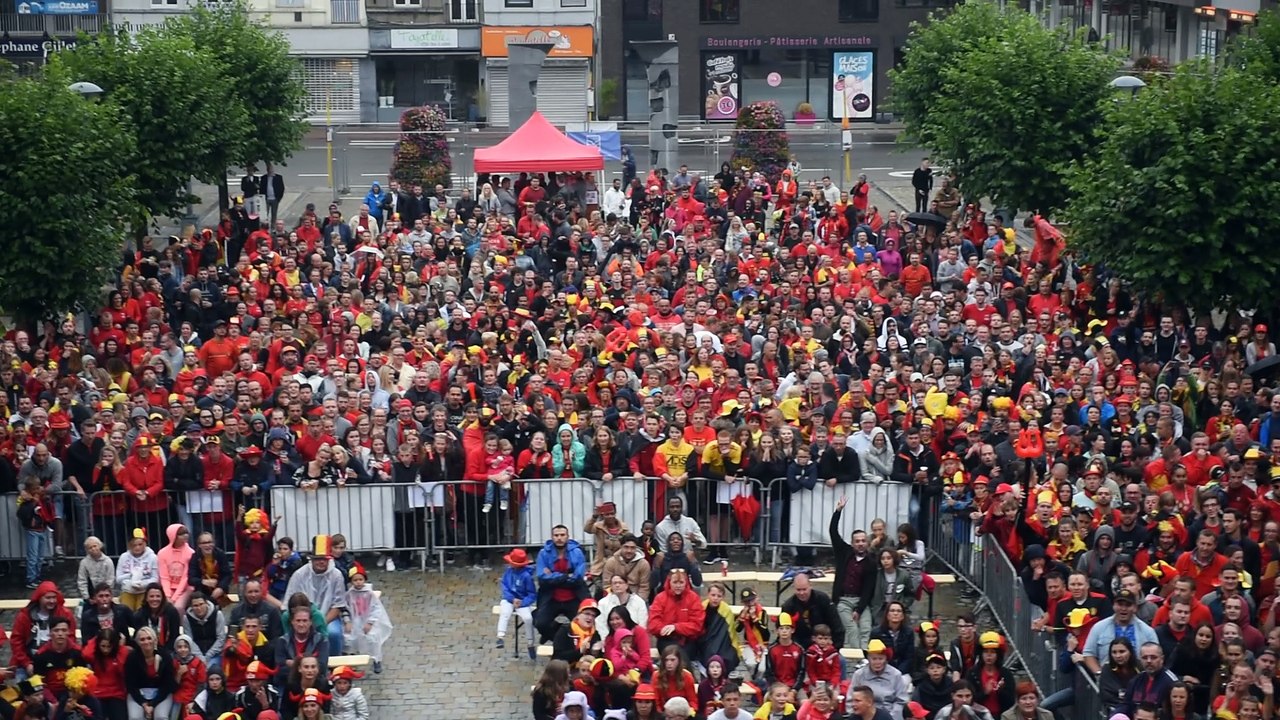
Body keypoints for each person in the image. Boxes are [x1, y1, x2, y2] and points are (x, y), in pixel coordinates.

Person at [283, 535, 348, 654]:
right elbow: (290, 603)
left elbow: (338, 605)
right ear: (311, 559)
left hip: (328, 617)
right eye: (317, 559)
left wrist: (321, 622)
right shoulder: (299, 575)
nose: (321, 562)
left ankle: (334, 663)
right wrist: (305, 622)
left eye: (324, 559)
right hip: (302, 618)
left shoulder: (336, 575)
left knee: (333, 633)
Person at [830, 498, 876, 649]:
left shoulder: (871, 562)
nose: (861, 543)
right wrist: (838, 511)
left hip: (860, 600)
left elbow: (868, 589)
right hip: (843, 600)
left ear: (867, 543)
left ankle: (865, 657)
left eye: (863, 540)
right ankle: (860, 659)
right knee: (851, 629)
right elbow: (833, 532)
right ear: (852, 543)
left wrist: (859, 609)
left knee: (866, 628)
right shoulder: (844, 553)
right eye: (857, 541)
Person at [534, 525, 590, 644]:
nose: (559, 538)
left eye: (562, 535)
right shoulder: (543, 553)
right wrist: (566, 576)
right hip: (552, 597)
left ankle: (569, 642)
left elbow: (578, 577)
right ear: (552, 537)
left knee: (584, 624)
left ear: (568, 537)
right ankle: (559, 637)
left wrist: (553, 575)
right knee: (540, 623)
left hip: (574, 597)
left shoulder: (577, 552)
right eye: (556, 535)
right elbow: (542, 577)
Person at [342, 563, 392, 673]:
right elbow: (345, 608)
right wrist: (347, 621)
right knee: (349, 639)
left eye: (360, 579)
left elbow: (376, 608)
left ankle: (376, 660)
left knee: (372, 638)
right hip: (355, 621)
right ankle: (350, 659)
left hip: (368, 621)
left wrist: (370, 622)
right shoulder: (349, 594)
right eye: (355, 580)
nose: (358, 582)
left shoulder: (369, 594)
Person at [123, 626, 176, 720]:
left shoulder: (165, 656)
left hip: (161, 693)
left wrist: (152, 705)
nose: (146, 642)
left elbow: (168, 684)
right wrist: (144, 704)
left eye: (149, 638)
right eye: (142, 639)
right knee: (135, 718)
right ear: (138, 642)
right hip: (138, 694)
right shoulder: (132, 658)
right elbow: (130, 685)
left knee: (161, 717)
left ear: (155, 640)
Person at [780, 574, 843, 649]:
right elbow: (784, 632)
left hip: (826, 645)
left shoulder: (823, 599)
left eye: (804, 589)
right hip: (800, 647)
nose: (802, 593)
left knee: (842, 661)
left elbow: (837, 627)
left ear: (810, 586)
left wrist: (834, 648)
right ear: (794, 588)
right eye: (798, 590)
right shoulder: (788, 606)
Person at [497, 547, 538, 656]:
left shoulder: (527, 577)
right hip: (509, 600)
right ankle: (500, 636)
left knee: (528, 618)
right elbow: (504, 587)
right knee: (505, 612)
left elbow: (532, 594)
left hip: (522, 601)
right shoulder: (508, 572)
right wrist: (511, 599)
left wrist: (523, 602)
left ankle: (530, 643)